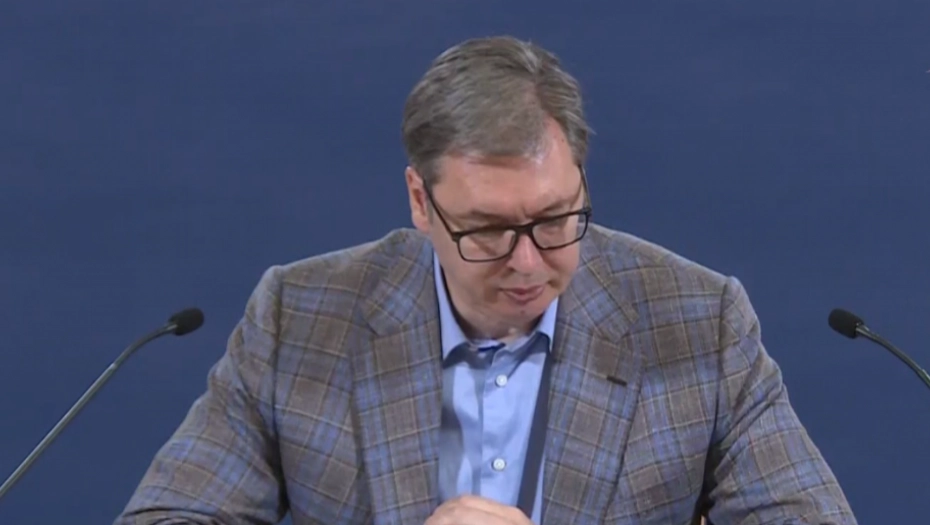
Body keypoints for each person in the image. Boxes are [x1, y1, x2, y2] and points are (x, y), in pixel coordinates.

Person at [115, 35, 857, 525]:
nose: (528, 261)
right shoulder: (302, 318)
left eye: (556, 218)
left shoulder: (698, 320)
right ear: (420, 202)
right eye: (488, 230)